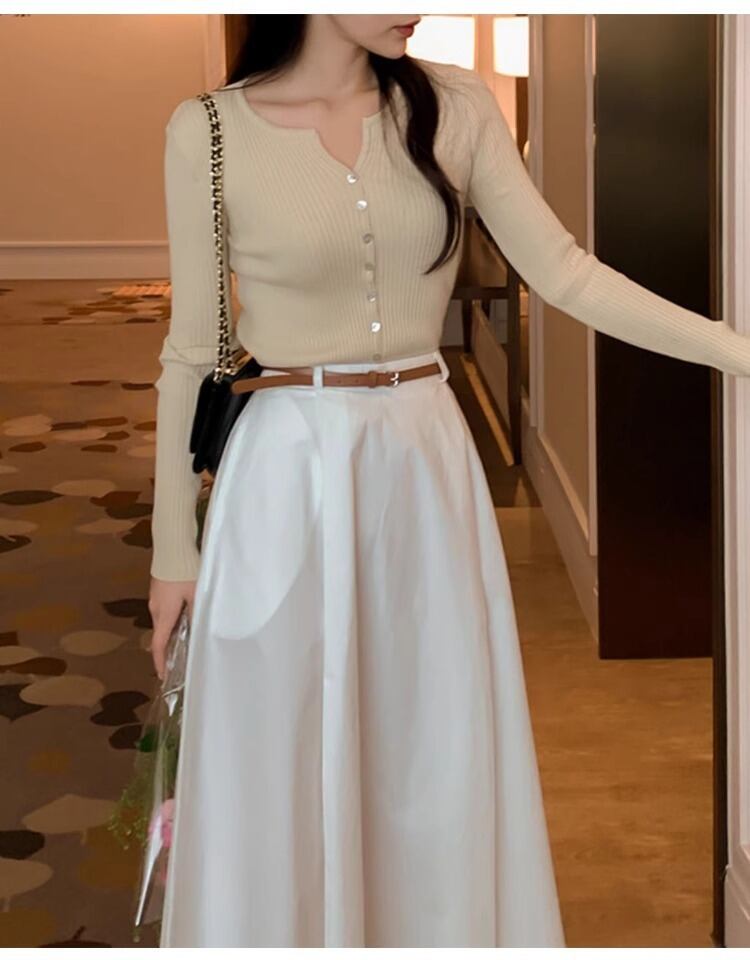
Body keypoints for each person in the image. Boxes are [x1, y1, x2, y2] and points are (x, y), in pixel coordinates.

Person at [147, 14, 750, 948]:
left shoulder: (456, 106)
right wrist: (173, 555)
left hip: (426, 464)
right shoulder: (209, 131)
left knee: (432, 745)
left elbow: (565, 274)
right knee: (282, 744)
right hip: (284, 473)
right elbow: (191, 354)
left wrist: (733, 350)